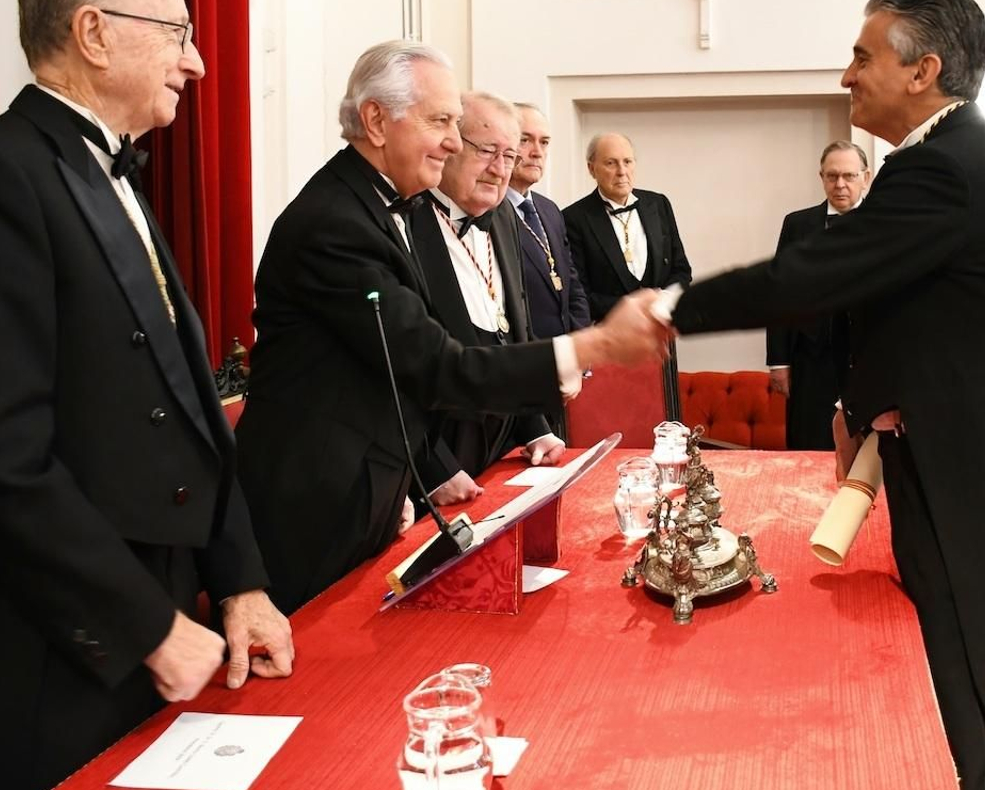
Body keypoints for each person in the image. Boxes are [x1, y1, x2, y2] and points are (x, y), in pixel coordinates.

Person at [0, 0, 294, 790]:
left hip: (139, 613)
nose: (195, 62)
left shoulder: (106, 174)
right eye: (177, 33)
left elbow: (190, 406)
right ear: (95, 31)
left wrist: (240, 580)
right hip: (37, 647)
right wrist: (146, 627)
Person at [669, 0, 985, 790]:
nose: (848, 74)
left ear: (923, 70)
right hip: (965, 466)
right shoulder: (953, 159)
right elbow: (918, 312)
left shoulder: (945, 166)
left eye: (864, 57)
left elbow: (810, 278)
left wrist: (664, 311)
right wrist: (874, 402)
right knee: (965, 725)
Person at [236, 41, 668, 613]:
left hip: (370, 496)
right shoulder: (335, 223)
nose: (450, 140)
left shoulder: (377, 205)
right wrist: (601, 342)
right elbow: (437, 367)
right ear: (375, 120)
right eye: (441, 121)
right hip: (313, 508)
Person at [410, 91, 565, 478]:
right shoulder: (406, 224)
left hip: (499, 455)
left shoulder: (504, 219)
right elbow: (396, 371)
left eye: (509, 156)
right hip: (435, 465)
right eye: (487, 151)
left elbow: (517, 336)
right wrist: (436, 470)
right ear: (450, 147)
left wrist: (535, 428)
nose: (500, 170)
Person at [765, 140, 871, 450]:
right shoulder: (797, 225)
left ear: (866, 178)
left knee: (866, 452)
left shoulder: (888, 223)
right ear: (821, 177)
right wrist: (778, 360)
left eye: (849, 176)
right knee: (808, 446)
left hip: (867, 358)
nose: (840, 184)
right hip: (811, 359)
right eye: (832, 176)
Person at [562, 132, 693, 319]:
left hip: (660, 330)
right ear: (591, 169)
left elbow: (681, 271)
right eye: (611, 163)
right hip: (610, 335)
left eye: (628, 162)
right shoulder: (573, 218)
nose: (622, 171)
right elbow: (579, 293)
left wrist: (661, 302)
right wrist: (634, 308)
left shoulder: (659, 204)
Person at [507, 101, 590, 340]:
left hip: (564, 356)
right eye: (525, 140)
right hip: (524, 357)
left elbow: (572, 285)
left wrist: (579, 344)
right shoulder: (488, 211)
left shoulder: (549, 210)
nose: (537, 152)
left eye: (544, 142)